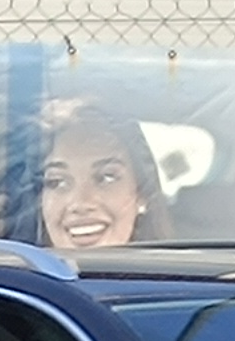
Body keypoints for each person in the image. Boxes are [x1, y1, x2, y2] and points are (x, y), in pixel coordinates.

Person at [35, 98, 170, 251]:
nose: (81, 204)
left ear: (142, 194)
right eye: (57, 182)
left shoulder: (188, 271)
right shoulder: (7, 270)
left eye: (106, 178)